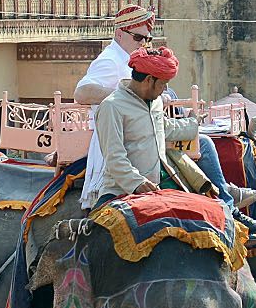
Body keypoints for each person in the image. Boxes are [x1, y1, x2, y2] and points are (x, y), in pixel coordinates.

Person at [79, 47, 202, 208]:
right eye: (163, 84)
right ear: (149, 80)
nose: (165, 90)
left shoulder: (155, 102)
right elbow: (114, 158)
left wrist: (193, 122)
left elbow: (165, 128)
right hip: (121, 190)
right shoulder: (111, 106)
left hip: (160, 184)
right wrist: (136, 183)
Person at [75, 4, 156, 110]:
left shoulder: (127, 58)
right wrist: (132, 96)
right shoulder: (110, 60)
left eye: (147, 39)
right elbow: (81, 93)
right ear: (119, 35)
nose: (143, 43)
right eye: (138, 37)